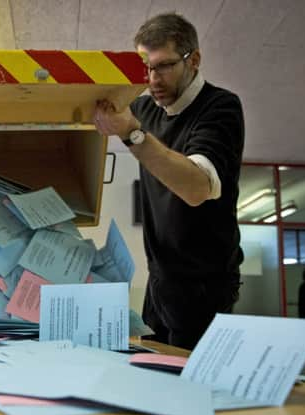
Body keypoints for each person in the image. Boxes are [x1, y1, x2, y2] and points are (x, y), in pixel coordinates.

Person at [94, 13, 244, 350]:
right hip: (160, 280)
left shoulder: (220, 107)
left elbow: (196, 187)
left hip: (205, 286)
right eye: (146, 67)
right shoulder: (145, 109)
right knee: (153, 372)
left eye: (163, 66)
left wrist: (132, 134)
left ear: (195, 60)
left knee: (191, 389)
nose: (152, 79)